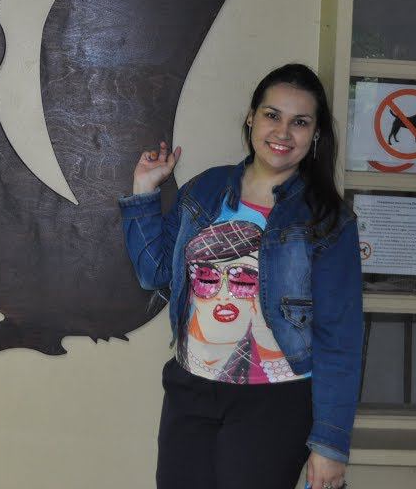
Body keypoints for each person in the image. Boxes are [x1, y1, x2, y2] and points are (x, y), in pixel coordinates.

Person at [118, 63, 363, 489]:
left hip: (275, 403)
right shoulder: (206, 191)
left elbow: (340, 337)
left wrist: (330, 444)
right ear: (251, 118)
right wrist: (144, 191)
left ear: (316, 134)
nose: (283, 132)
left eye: (300, 122)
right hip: (191, 389)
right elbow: (153, 274)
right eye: (272, 115)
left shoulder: (327, 219)